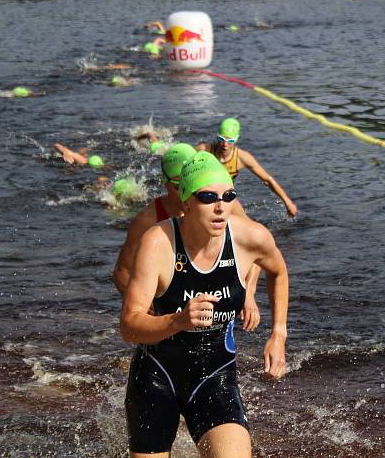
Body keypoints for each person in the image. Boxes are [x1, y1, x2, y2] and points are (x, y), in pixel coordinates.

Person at [120, 151, 289, 457]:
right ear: (186, 202)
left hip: (215, 374)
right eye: (208, 196)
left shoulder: (250, 238)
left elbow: (278, 271)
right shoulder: (158, 242)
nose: (221, 206)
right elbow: (129, 325)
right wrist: (178, 321)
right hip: (157, 376)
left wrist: (278, 335)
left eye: (228, 195)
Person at [113, 144, 261, 331]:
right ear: (165, 183)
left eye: (192, 182)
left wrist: (248, 293)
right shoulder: (147, 220)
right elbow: (121, 271)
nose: (187, 189)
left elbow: (256, 250)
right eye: (178, 185)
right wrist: (143, 305)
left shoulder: (222, 203)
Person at [197, 117, 298, 217]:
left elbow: (268, 180)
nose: (225, 144)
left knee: (245, 222)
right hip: (204, 192)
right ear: (217, 137)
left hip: (225, 196)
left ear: (236, 140)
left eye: (230, 141)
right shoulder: (204, 150)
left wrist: (288, 202)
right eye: (221, 139)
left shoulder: (242, 158)